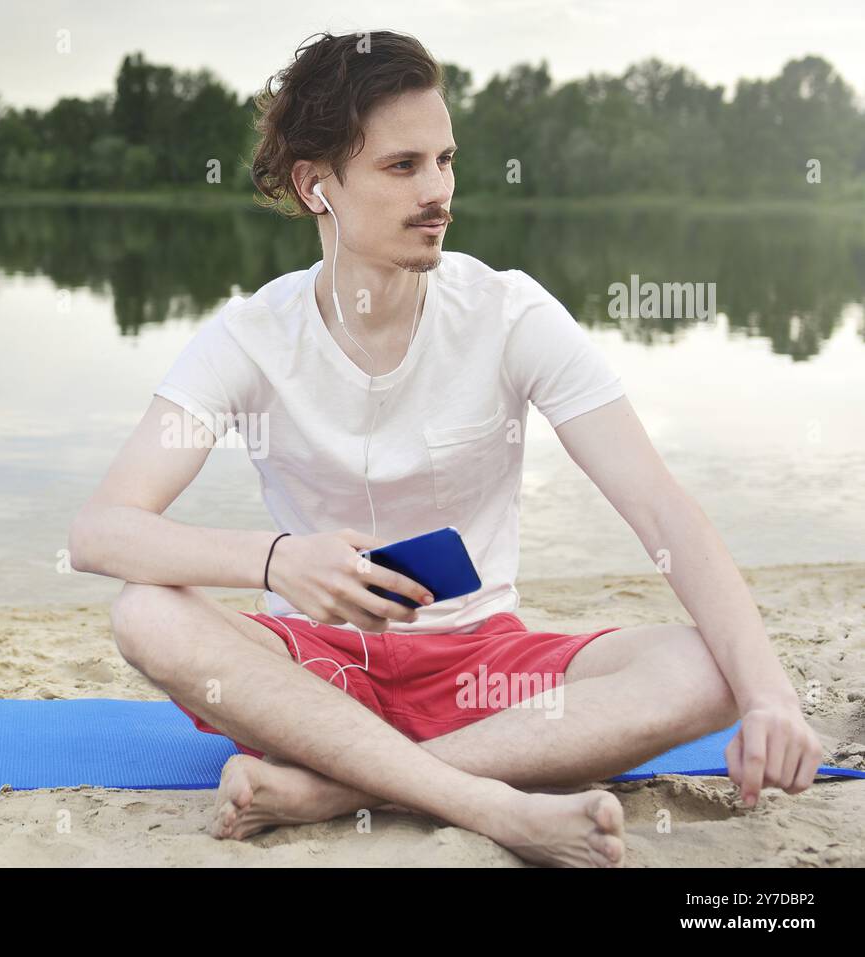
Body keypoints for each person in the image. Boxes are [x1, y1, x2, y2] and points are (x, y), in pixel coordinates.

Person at [68, 30, 823, 867]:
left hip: (484, 674)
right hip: (316, 672)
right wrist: (278, 560)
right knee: (144, 611)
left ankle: (341, 787)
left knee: (712, 667)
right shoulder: (249, 338)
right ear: (318, 186)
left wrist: (769, 697)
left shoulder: (509, 314)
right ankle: (482, 801)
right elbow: (101, 531)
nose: (439, 192)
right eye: (403, 167)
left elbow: (659, 506)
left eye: (446, 160)